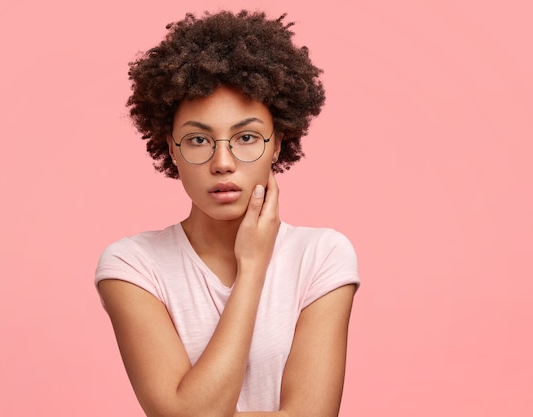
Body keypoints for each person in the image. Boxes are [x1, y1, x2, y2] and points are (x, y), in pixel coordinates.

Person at [95, 10, 360, 417]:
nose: (223, 162)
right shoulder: (133, 266)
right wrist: (251, 269)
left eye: (247, 137)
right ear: (170, 147)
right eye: (198, 139)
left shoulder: (321, 256)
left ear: (277, 143)